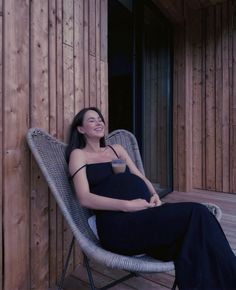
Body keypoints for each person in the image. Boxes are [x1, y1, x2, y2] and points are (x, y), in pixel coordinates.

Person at [66, 107, 236, 290]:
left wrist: (154, 195)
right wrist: (127, 205)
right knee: (198, 212)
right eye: (92, 120)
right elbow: (84, 198)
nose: (99, 122)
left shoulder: (116, 150)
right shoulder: (79, 155)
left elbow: (140, 176)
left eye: (100, 119)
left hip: (146, 215)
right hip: (119, 225)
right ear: (81, 129)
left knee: (193, 239)